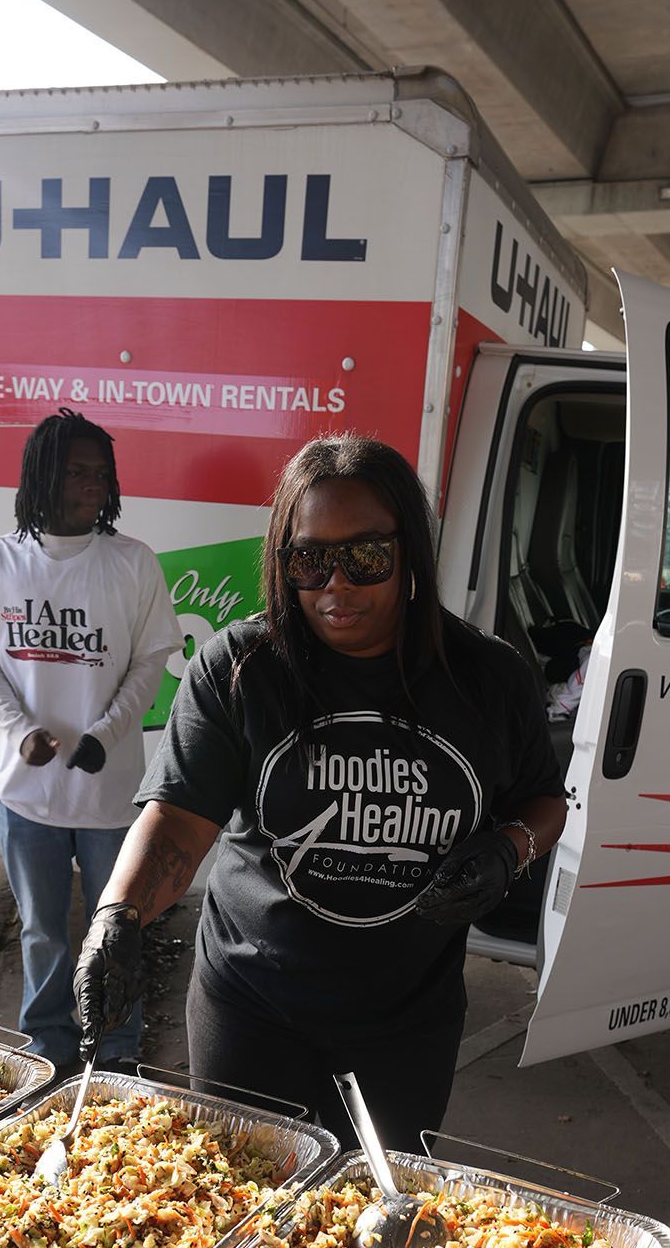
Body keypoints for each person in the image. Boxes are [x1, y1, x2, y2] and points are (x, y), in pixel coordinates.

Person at [73, 432, 566, 1148]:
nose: (336, 586)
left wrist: (507, 848)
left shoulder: (489, 677)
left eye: (364, 557)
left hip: (406, 1023)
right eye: (309, 560)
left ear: (409, 554)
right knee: (240, 1206)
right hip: (250, 1007)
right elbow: (179, 823)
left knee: (369, 1224)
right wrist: (115, 919)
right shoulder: (239, 669)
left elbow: (544, 801)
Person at [0, 408, 180, 1072]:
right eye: (78, 472)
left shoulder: (132, 562)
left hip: (111, 801)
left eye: (101, 474)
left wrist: (107, 734)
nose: (94, 485)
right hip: (25, 801)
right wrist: (21, 731)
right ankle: (47, 1049)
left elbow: (151, 661)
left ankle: (115, 1053)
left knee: (117, 932)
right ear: (42, 478)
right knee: (43, 933)